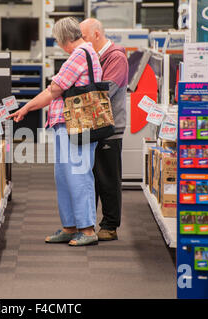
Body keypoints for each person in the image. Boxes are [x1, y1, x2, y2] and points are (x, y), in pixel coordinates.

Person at [8, 17, 102, 246]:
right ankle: (70, 227)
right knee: (64, 177)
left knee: (78, 176)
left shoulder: (80, 54)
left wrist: (27, 107)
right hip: (67, 125)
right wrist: (28, 108)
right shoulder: (84, 53)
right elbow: (55, 91)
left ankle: (88, 230)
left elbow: (54, 90)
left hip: (78, 126)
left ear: (63, 40)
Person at [79, 18, 129, 241]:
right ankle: (91, 222)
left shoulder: (116, 57)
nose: (82, 42)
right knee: (94, 178)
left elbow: (105, 91)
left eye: (84, 37)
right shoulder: (95, 57)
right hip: (94, 126)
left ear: (97, 35)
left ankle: (110, 226)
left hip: (110, 128)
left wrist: (78, 94)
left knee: (108, 178)